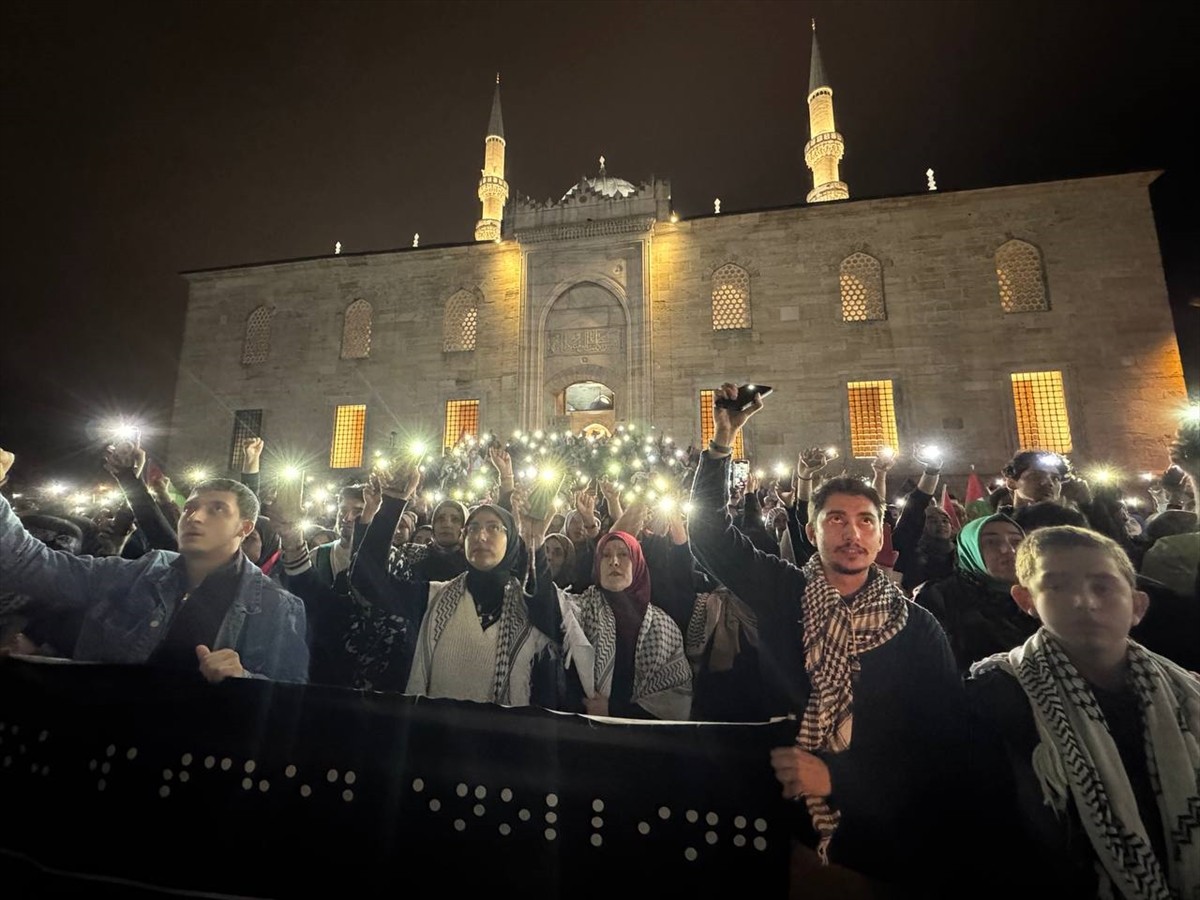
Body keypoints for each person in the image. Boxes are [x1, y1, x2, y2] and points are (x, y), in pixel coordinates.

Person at [687, 386, 965, 890]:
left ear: (881, 536)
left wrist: (839, 778)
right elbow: (709, 536)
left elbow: (939, 743)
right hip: (785, 819)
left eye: (865, 521)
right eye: (835, 519)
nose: (851, 534)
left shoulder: (916, 627)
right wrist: (722, 442)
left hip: (883, 832)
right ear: (813, 532)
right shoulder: (784, 591)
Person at [967, 526, 1199, 898]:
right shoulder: (994, 700)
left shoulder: (1186, 695)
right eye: (1057, 587)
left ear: (1138, 605)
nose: (1084, 601)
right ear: (1026, 599)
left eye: (1103, 586)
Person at [0, 447, 308, 683]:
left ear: (244, 528)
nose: (195, 517)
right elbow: (32, 565)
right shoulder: (138, 572)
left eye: (217, 510)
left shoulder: (275, 605)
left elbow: (290, 699)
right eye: (190, 508)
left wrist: (245, 681)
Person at [350, 465, 561, 706]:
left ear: (512, 540)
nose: (481, 536)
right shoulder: (434, 598)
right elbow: (367, 583)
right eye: (473, 528)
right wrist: (392, 504)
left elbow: (546, 611)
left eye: (493, 527)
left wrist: (533, 541)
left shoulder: (529, 607)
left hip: (508, 740)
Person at [555, 531, 692, 719]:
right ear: (597, 564)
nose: (614, 562)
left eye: (623, 554)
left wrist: (615, 710)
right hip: (580, 732)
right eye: (606, 555)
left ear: (637, 564)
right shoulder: (577, 610)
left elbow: (675, 697)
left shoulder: (661, 626)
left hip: (639, 740)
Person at [914, 514, 1032, 673]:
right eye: (991, 542)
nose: (1008, 550)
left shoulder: (1042, 592)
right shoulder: (939, 597)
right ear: (971, 549)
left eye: (1017, 541)